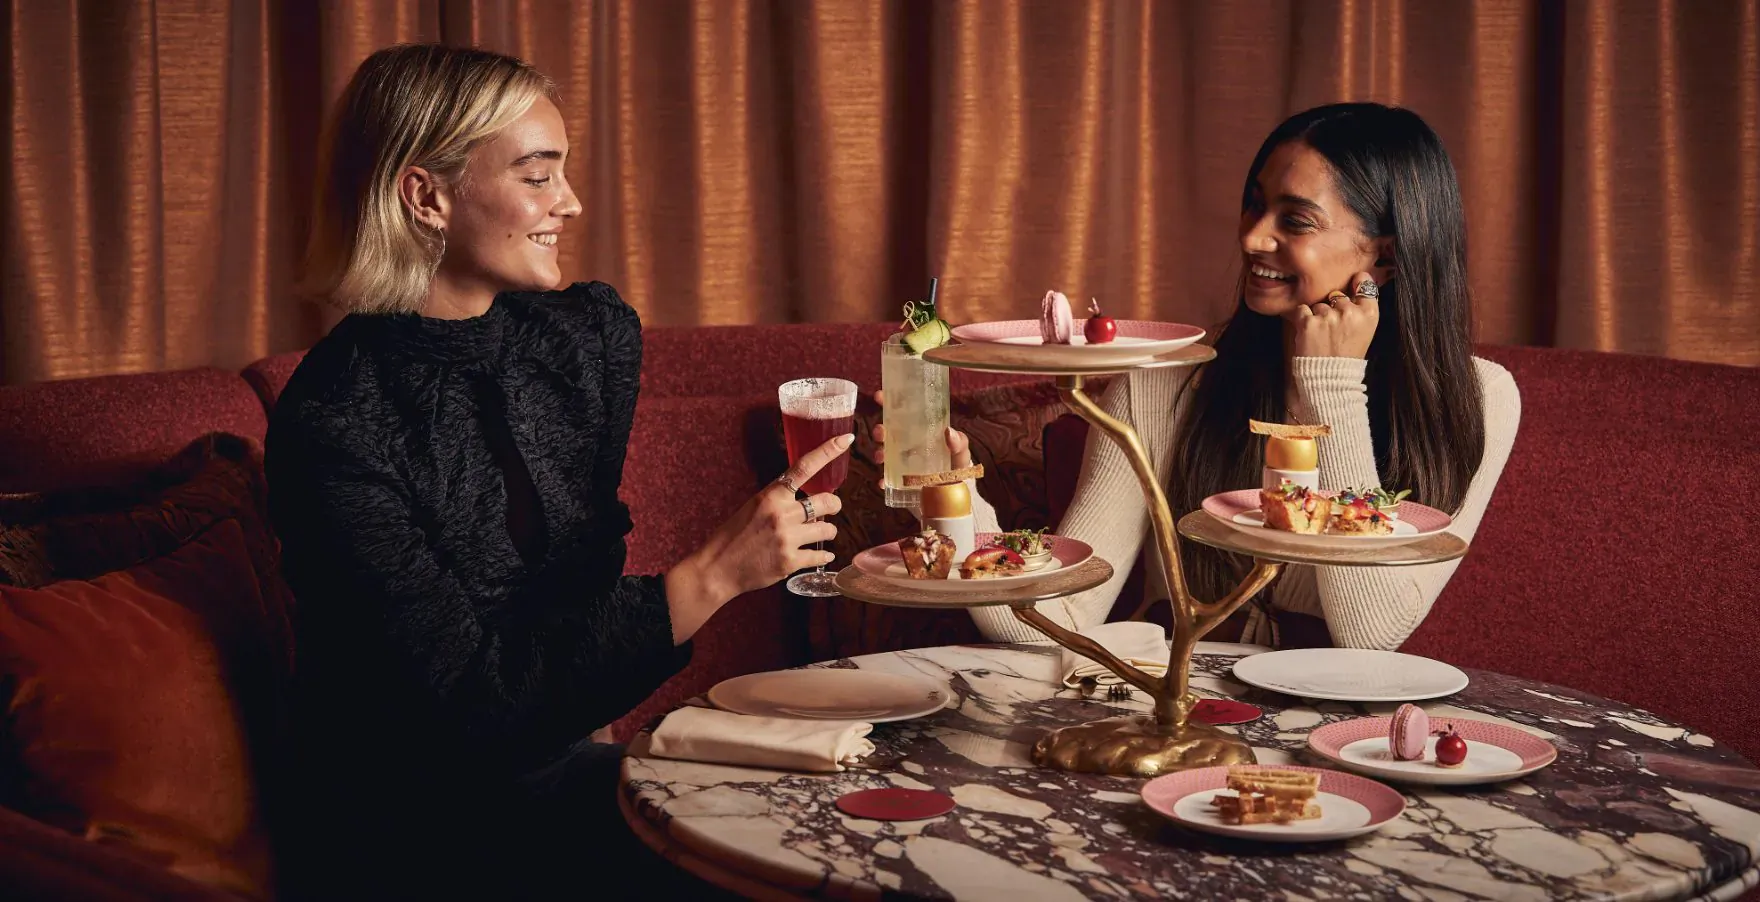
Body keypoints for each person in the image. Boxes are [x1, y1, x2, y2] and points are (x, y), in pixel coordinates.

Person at [265, 44, 844, 900]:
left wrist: (622, 766)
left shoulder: (581, 339)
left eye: (561, 173)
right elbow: (468, 710)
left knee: (836, 832)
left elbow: (578, 584)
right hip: (416, 832)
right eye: (538, 177)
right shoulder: (336, 421)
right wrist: (716, 573)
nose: (568, 203)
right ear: (425, 195)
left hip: (562, 765)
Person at [878, 102, 1520, 652]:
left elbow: (1370, 630)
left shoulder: (1479, 398)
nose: (1251, 237)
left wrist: (1331, 382)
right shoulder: (1165, 382)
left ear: (1388, 257)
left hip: (1344, 740)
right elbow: (1061, 621)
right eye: (1254, 205)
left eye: (1294, 220)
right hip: (1178, 710)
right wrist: (946, 500)